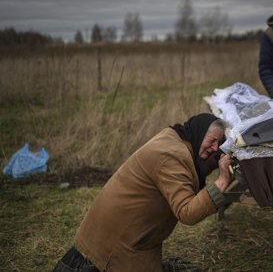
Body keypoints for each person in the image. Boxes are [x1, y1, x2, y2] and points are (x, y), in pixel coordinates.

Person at [53, 113, 232, 272]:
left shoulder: (173, 138)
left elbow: (193, 167)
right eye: (212, 141)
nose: (215, 147)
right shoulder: (172, 157)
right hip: (118, 247)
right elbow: (187, 213)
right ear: (200, 133)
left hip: (110, 235)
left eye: (220, 143)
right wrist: (221, 181)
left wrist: (217, 159)